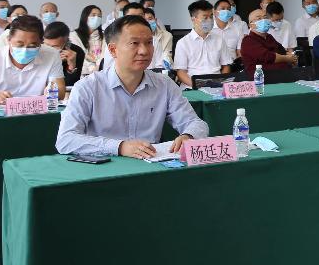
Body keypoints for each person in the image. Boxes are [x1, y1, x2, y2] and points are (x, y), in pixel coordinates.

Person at [55, 15, 208, 158]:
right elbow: (66, 140)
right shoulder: (88, 87)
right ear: (113, 50)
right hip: (104, 166)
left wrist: (189, 136)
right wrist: (119, 147)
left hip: (151, 164)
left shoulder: (164, 85)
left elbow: (196, 123)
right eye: (134, 43)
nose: (144, 51)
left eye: (149, 42)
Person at [0, 15, 65, 108]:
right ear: (8, 40)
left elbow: (59, 90)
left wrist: (52, 93)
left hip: (36, 113)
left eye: (32, 46)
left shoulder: (51, 55)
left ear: (41, 42)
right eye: (20, 45)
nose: (25, 50)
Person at [173, 0, 232, 87]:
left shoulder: (219, 40)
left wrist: (220, 82)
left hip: (216, 85)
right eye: (205, 17)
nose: (209, 20)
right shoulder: (183, 43)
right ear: (194, 19)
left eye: (211, 16)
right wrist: (196, 85)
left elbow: (226, 66)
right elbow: (181, 72)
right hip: (192, 86)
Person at [239, 9, 298, 76]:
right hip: (260, 78)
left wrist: (292, 57)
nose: (263, 20)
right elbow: (268, 57)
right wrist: (287, 59)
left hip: (281, 74)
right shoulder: (248, 40)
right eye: (259, 18)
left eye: (265, 17)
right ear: (251, 25)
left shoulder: (269, 37)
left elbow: (282, 51)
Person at [101, 3, 144, 70]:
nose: (136, 21)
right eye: (132, 17)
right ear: (124, 18)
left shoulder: (151, 36)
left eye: (140, 17)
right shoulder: (115, 37)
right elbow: (109, 66)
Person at [43, 21, 84, 87]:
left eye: (54, 46)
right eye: (47, 45)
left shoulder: (77, 52)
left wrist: (71, 66)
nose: (49, 49)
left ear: (66, 44)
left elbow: (70, 85)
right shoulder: (37, 49)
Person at [69, 5, 105, 76]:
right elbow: (79, 56)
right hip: (82, 74)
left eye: (99, 16)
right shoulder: (74, 35)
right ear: (85, 17)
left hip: (100, 73)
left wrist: (98, 67)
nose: (96, 18)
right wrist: (92, 69)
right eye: (93, 15)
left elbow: (104, 56)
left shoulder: (104, 36)